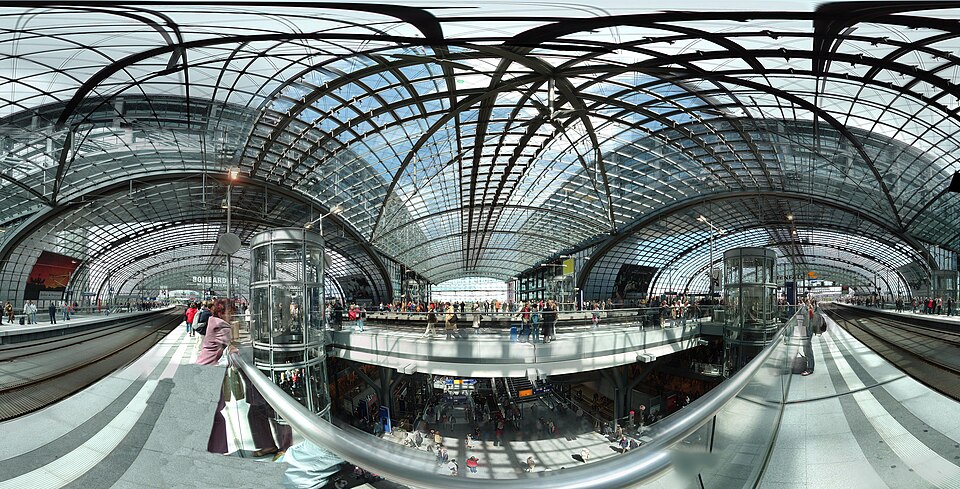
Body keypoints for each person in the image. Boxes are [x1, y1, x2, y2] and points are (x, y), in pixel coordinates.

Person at [196, 298, 238, 366]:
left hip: (202, 362)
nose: (231, 316)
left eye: (232, 313)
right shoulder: (222, 325)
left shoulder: (213, 321)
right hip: (208, 364)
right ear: (220, 313)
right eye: (229, 313)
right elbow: (230, 344)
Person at [800, 302, 816, 376]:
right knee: (805, 348)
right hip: (804, 329)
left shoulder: (805, 309)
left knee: (807, 348)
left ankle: (810, 368)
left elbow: (805, 321)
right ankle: (809, 366)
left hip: (806, 330)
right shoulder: (807, 308)